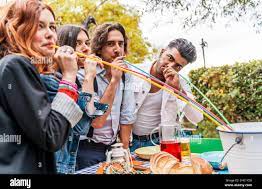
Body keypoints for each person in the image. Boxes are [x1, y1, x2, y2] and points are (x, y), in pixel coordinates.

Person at [0, 0, 83, 174]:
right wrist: (68, 78)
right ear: (17, 29)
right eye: (40, 26)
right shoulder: (15, 64)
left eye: (52, 27)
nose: (50, 35)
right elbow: (52, 135)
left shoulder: (18, 66)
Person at [40, 24, 108, 174]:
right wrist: (89, 77)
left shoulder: (75, 79)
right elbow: (78, 127)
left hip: (67, 163)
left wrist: (90, 77)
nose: (85, 48)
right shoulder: (51, 80)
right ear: (64, 47)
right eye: (78, 43)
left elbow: (82, 128)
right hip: (54, 165)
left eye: (87, 43)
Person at [76, 23, 136, 169]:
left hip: (113, 149)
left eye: (121, 44)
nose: (117, 49)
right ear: (99, 48)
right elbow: (97, 121)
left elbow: (126, 116)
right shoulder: (85, 75)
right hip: (86, 150)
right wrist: (114, 81)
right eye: (110, 44)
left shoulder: (126, 75)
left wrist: (125, 151)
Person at [129, 38, 204, 152]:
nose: (170, 66)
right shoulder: (134, 71)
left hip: (162, 143)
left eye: (178, 66)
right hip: (131, 141)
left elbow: (198, 118)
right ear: (162, 52)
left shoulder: (181, 82)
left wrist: (179, 91)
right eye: (170, 58)